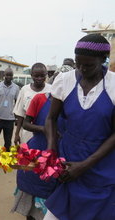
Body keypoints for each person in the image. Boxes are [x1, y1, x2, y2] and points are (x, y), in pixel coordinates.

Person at [44, 34, 115, 220]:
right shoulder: (64, 80)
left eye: (89, 65)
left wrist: (84, 166)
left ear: (103, 60)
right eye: (78, 63)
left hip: (100, 168)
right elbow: (51, 118)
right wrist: (52, 148)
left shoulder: (114, 85)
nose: (82, 69)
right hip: (68, 165)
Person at [12, 92, 58, 220]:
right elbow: (26, 124)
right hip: (37, 151)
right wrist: (44, 129)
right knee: (32, 203)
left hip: (60, 154)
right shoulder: (40, 99)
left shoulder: (71, 102)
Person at [13, 63, 51, 145]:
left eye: (42, 76)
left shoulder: (51, 90)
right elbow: (20, 114)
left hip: (46, 133)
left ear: (46, 75)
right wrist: (16, 134)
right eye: (36, 76)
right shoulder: (24, 90)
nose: (39, 78)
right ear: (31, 75)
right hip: (28, 132)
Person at [0, 67, 20, 148]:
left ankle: (6, 159)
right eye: (7, 75)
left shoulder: (16, 88)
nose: (9, 77)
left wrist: (16, 117)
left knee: (8, 143)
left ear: (13, 76)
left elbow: (18, 102)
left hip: (10, 119)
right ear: (4, 75)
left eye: (10, 75)